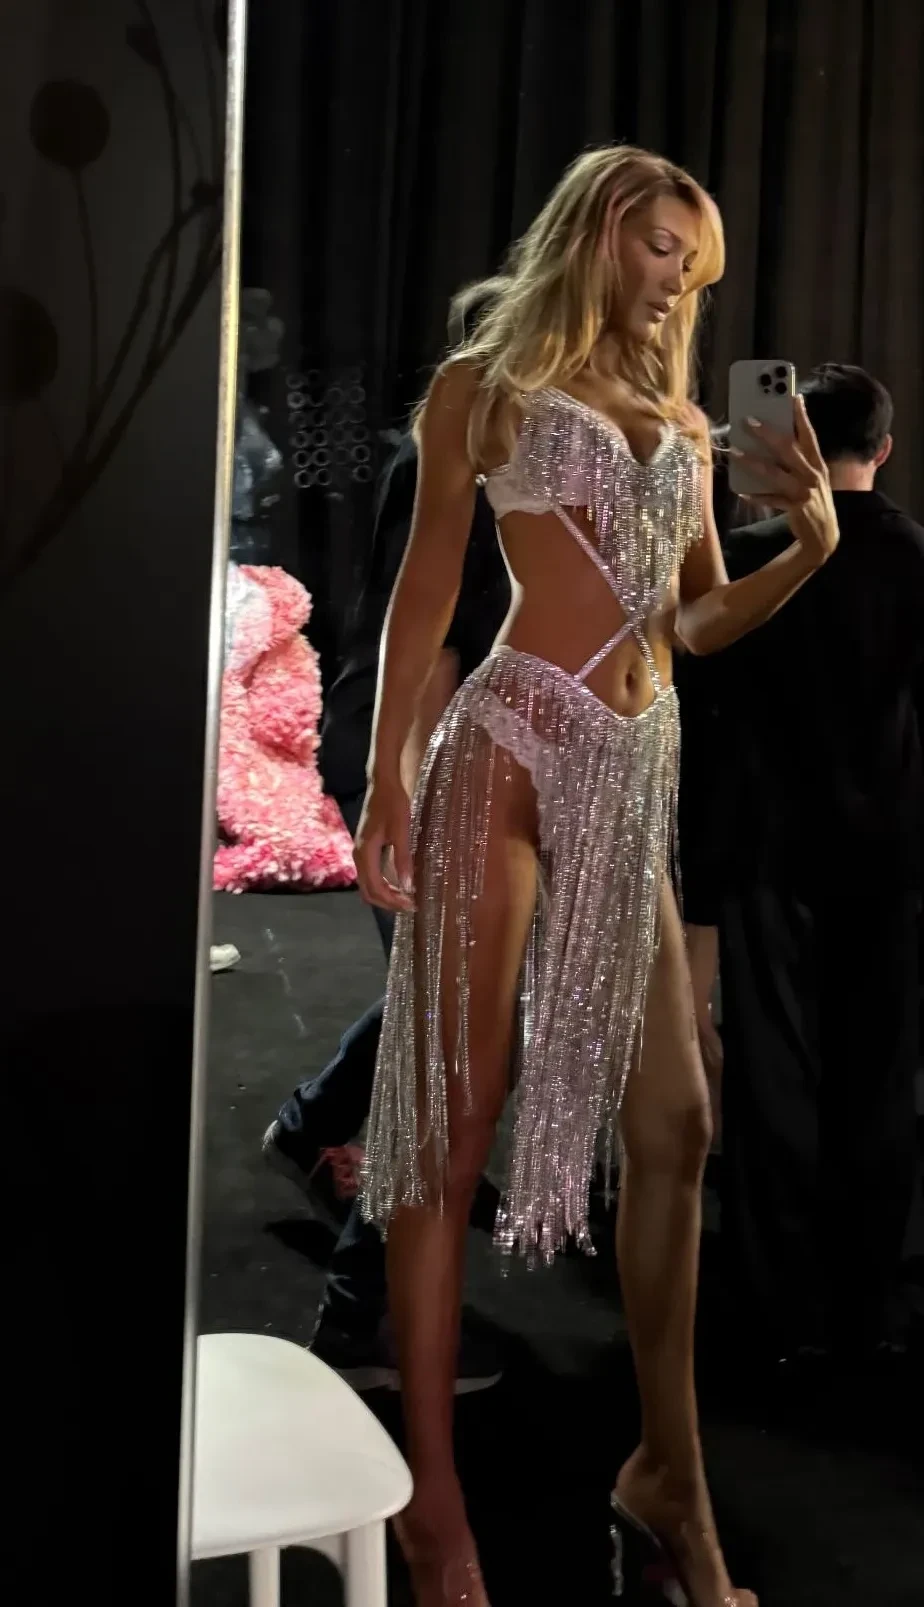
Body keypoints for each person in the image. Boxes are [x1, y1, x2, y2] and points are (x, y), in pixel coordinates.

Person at [352, 145, 840, 1607]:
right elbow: (427, 585)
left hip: (631, 771)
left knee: (677, 1121)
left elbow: (694, 622)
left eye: (696, 255)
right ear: (598, 233)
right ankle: (432, 1501)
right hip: (507, 742)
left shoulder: (687, 421)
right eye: (658, 242)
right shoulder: (485, 388)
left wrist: (809, 547)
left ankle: (665, 1473)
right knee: (452, 1119)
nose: (678, 275)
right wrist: (385, 770)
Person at [678, 364, 924, 1370]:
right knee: (877, 1067)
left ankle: (777, 1298)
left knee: (776, 1070)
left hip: (767, 841)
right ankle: (873, 1289)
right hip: (884, 841)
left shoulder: (748, 556)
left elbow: (706, 704)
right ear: (883, 447)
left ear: (786, 438)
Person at [261, 434, 509, 1391]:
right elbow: (438, 635)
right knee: (450, 1037)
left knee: (446, 1016)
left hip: (462, 764)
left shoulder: (503, 441)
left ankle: (311, 1124)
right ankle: (361, 1316)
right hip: (438, 766)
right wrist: (413, 801)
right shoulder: (469, 443)